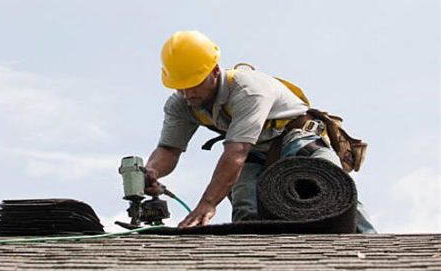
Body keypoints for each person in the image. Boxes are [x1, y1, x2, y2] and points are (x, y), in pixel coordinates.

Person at [145, 30, 376, 233]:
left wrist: (208, 203)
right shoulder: (181, 104)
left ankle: (370, 244)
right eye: (181, 86)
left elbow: (237, 151)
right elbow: (169, 149)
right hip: (255, 150)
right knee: (245, 204)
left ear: (214, 71)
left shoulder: (248, 89)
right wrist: (152, 171)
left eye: (194, 83)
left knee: (337, 188)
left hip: (298, 136)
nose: (188, 94)